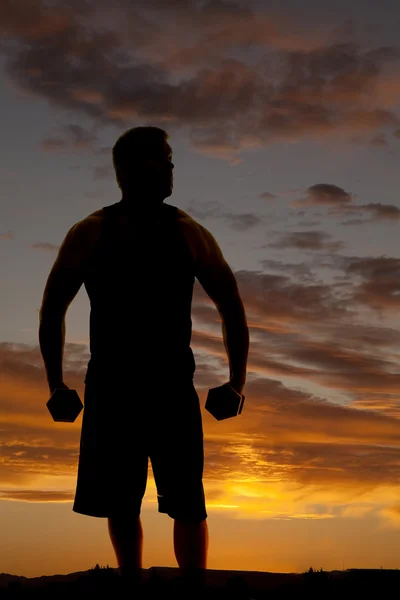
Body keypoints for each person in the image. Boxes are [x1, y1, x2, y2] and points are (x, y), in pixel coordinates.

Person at [38, 126, 249, 595]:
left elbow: (232, 306)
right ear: (132, 168)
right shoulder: (90, 232)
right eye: (164, 159)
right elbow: (53, 309)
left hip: (171, 386)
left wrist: (237, 382)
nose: (172, 168)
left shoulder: (189, 232)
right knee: (120, 501)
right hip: (111, 387)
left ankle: (193, 592)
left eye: (172, 160)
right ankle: (130, 587)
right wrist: (55, 383)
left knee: (189, 503)